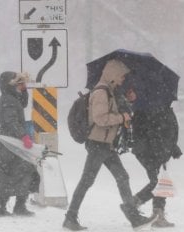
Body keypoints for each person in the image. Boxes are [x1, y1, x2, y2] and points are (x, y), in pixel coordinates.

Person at [63, 59, 156, 231]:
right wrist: (121, 118)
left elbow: (117, 111)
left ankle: (133, 217)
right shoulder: (101, 92)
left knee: (122, 177)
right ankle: (70, 217)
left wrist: (127, 103)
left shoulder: (111, 92)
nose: (122, 80)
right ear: (112, 75)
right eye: (121, 76)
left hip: (106, 144)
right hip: (97, 144)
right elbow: (100, 118)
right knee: (87, 181)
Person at [125, 86, 182, 228]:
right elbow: (152, 133)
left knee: (160, 182)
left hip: (160, 151)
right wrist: (160, 151)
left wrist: (173, 147)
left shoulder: (163, 108)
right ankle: (132, 205)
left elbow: (168, 132)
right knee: (158, 182)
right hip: (149, 152)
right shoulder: (147, 110)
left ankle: (157, 215)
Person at [0, 71, 40, 217]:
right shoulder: (8, 99)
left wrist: (24, 89)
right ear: (11, 85)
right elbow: (10, 121)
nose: (22, 85)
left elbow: (23, 103)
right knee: (8, 172)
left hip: (14, 141)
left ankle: (17, 206)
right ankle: (2, 208)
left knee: (23, 170)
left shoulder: (11, 97)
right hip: (10, 142)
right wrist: (23, 135)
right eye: (19, 83)